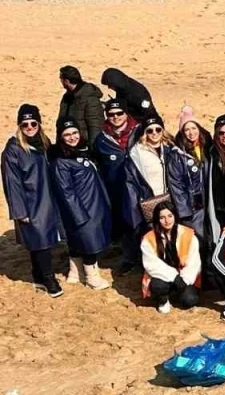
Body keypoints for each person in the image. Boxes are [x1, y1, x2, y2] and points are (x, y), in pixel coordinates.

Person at [3, 105, 64, 296]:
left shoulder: (43, 143)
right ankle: (49, 278)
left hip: (47, 197)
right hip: (31, 201)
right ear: (19, 126)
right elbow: (11, 182)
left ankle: (38, 276)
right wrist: (20, 211)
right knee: (40, 240)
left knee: (38, 239)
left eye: (33, 123)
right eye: (25, 124)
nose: (29, 127)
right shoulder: (13, 150)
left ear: (39, 123)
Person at [49, 119, 113, 290]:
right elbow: (66, 192)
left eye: (75, 133)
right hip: (81, 208)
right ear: (61, 137)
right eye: (67, 135)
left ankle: (75, 272)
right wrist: (78, 214)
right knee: (89, 241)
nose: (72, 137)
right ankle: (92, 277)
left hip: (93, 204)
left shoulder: (82, 152)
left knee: (78, 240)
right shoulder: (61, 161)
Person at [123, 112, 177, 271]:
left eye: (158, 129)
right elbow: (133, 180)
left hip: (170, 199)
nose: (154, 133)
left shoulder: (169, 148)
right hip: (151, 201)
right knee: (155, 237)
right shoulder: (137, 152)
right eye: (150, 130)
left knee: (171, 234)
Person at [93, 98, 137, 256]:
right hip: (115, 189)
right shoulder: (101, 139)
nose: (116, 117)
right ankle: (128, 257)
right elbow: (97, 165)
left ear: (126, 114)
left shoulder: (139, 132)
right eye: (111, 114)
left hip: (139, 187)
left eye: (119, 113)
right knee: (123, 223)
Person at [140, 201, 201, 313]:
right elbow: (151, 264)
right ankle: (163, 300)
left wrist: (183, 281)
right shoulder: (149, 238)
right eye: (162, 217)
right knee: (158, 286)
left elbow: (194, 262)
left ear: (175, 216)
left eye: (170, 216)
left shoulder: (188, 235)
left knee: (190, 300)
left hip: (184, 276)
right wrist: (174, 277)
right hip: (162, 276)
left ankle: (178, 293)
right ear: (157, 219)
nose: (167, 221)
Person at [168, 108, 210, 245]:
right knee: (196, 238)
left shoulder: (207, 147)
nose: (191, 133)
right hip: (192, 206)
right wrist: (184, 211)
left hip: (208, 202)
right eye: (187, 130)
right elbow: (176, 184)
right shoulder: (177, 155)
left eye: (194, 128)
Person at [57, 65, 105, 145]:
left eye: (61, 79)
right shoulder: (67, 97)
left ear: (66, 81)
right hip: (67, 144)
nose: (60, 81)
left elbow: (95, 126)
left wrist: (93, 148)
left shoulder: (89, 98)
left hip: (83, 145)